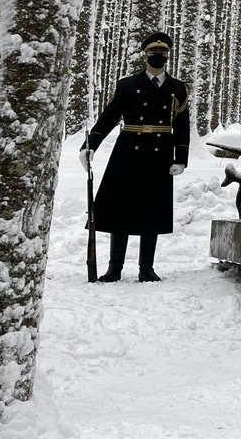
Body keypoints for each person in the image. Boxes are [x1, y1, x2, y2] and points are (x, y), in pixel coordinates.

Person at [81, 31, 190, 282]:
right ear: (145, 56)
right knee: (121, 209)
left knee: (151, 208)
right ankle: (114, 268)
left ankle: (146, 268)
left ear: (168, 58)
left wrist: (180, 158)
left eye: (162, 54)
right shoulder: (127, 85)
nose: (158, 57)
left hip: (160, 152)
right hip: (128, 149)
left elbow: (182, 126)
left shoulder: (178, 88)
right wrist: (91, 144)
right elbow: (109, 117)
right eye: (153, 54)